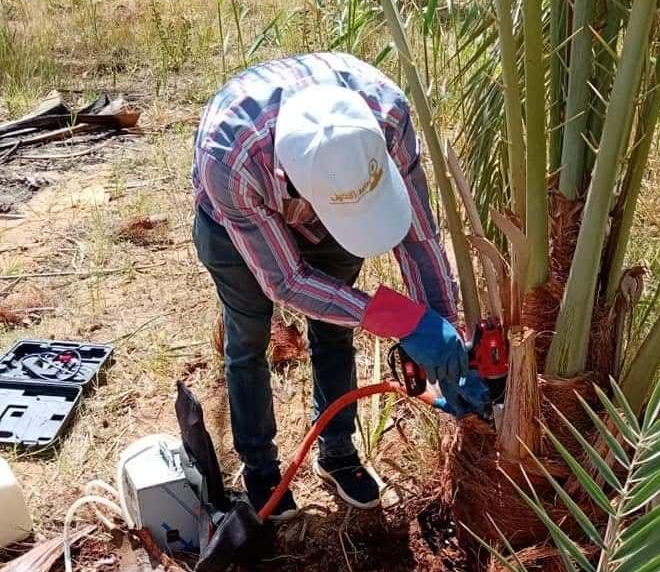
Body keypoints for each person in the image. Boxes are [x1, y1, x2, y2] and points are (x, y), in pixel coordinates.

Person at [192, 51, 489, 521]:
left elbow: (419, 236)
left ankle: (337, 451)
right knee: (247, 339)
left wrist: (441, 328)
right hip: (235, 225)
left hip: (318, 203)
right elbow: (287, 282)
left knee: (334, 332)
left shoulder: (385, 117)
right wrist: (401, 319)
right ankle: (260, 467)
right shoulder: (230, 159)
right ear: (296, 184)